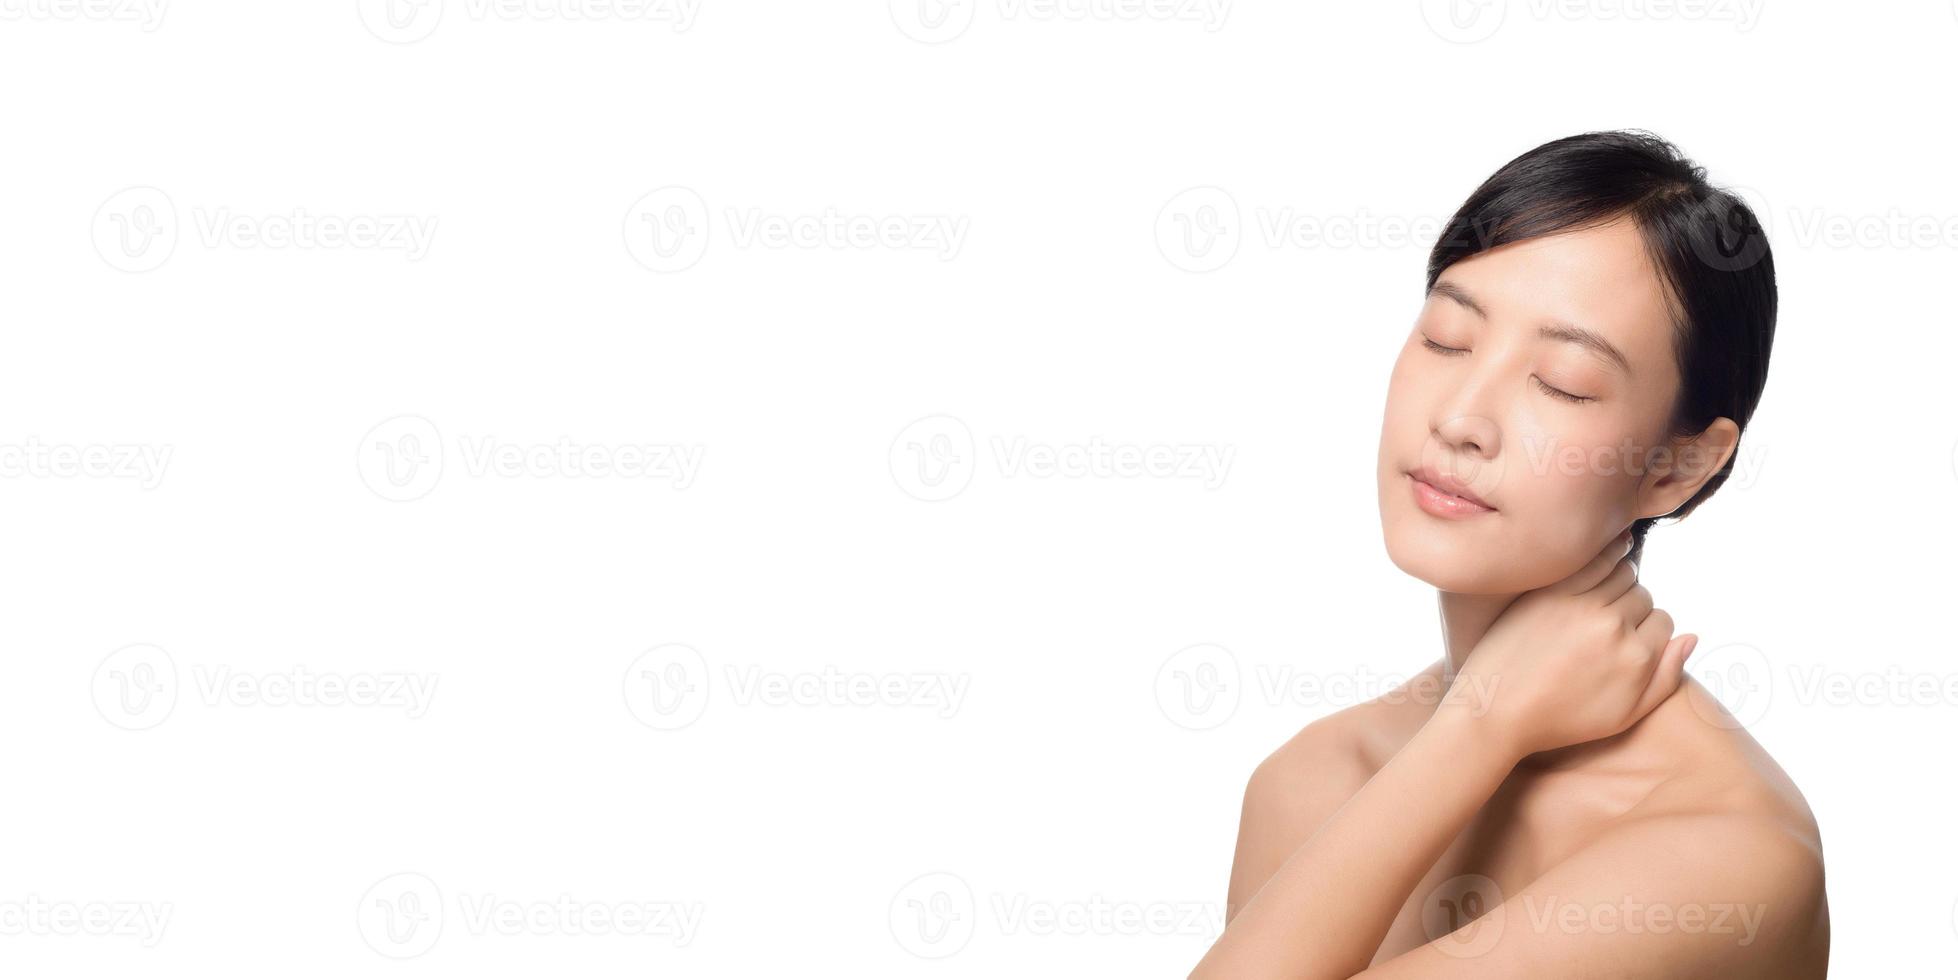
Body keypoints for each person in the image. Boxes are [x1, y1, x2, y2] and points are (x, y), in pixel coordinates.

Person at [1192, 130, 1828, 978]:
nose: (1460, 418)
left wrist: (1481, 725)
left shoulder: (1729, 854)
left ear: (1679, 466)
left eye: (1563, 381)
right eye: (1447, 337)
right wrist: (1477, 729)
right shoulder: (1310, 780)